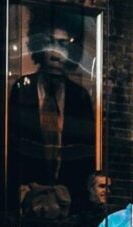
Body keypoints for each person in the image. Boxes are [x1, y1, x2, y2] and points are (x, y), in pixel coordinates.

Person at [7, 8, 96, 214]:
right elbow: (11, 149)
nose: (57, 54)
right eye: (51, 43)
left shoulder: (80, 97)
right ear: (38, 46)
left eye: (64, 45)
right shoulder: (22, 89)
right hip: (28, 202)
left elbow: (86, 154)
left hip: (70, 202)